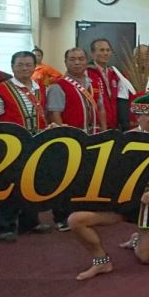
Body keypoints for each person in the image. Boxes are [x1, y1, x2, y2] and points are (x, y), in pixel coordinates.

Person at [66, 93, 149, 280]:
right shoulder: (125, 139)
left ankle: (138, 238)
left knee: (146, 258)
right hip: (125, 197)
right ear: (138, 117)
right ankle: (101, 260)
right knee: (76, 220)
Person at [0, 50, 51, 240]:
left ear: (34, 67)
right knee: (9, 185)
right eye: (20, 65)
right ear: (12, 67)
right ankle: (6, 226)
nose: (24, 68)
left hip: (37, 143)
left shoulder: (40, 87)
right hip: (11, 145)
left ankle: (30, 222)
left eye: (28, 65)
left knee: (32, 183)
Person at [47, 47, 105, 230]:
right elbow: (55, 113)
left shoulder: (94, 83)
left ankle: (84, 214)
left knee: (87, 177)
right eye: (72, 59)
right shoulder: (58, 85)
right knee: (65, 178)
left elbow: (101, 108)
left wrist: (104, 132)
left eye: (81, 59)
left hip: (93, 137)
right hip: (71, 139)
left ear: (86, 61)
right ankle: (62, 216)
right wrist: (63, 138)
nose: (77, 62)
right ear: (65, 62)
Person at [87, 38, 133, 132]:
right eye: (101, 50)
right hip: (95, 126)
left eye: (108, 50)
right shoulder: (87, 73)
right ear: (92, 53)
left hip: (114, 126)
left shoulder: (115, 74)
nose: (105, 53)